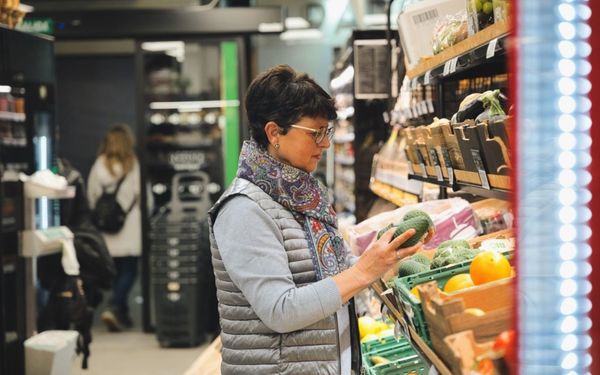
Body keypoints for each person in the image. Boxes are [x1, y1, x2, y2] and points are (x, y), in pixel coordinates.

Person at [209, 65, 421, 375]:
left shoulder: (302, 196)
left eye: (327, 131)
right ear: (274, 133)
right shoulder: (244, 209)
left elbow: (324, 275)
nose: (325, 143)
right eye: (315, 133)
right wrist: (362, 272)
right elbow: (280, 310)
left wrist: (379, 259)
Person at [87, 124, 141, 332]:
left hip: (107, 229)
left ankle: (121, 312)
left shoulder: (100, 164)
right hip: (130, 225)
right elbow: (143, 195)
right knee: (129, 270)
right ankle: (116, 305)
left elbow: (91, 195)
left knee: (115, 270)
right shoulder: (133, 164)